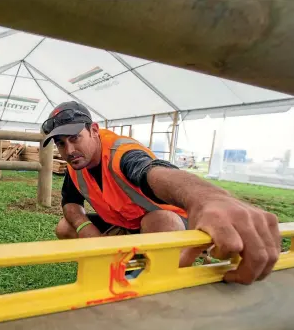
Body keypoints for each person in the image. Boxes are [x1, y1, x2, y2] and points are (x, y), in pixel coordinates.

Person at [42, 101, 281, 285]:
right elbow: (70, 202)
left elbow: (153, 172)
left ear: (93, 130)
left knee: (160, 219)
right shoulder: (77, 164)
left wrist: (206, 198)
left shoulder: (122, 153)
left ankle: (169, 267)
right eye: (61, 144)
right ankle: (115, 267)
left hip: (169, 223)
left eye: (75, 138)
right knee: (65, 227)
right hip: (126, 222)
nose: (69, 150)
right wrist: (86, 228)